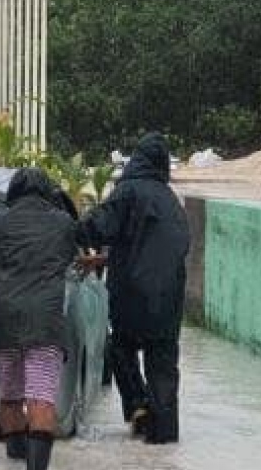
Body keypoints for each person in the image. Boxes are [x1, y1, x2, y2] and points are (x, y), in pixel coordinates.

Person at [77, 132, 191, 444]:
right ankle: (163, 441)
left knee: (119, 348)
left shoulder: (128, 192)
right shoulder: (171, 201)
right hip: (168, 301)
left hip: (132, 295)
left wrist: (69, 229)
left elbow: (98, 227)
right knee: (163, 368)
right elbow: (157, 247)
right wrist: (107, 258)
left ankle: (138, 406)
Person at [0, 167, 79, 470]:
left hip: (3, 322)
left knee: (10, 398)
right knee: (41, 398)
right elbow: (69, 256)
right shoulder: (63, 223)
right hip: (46, 324)